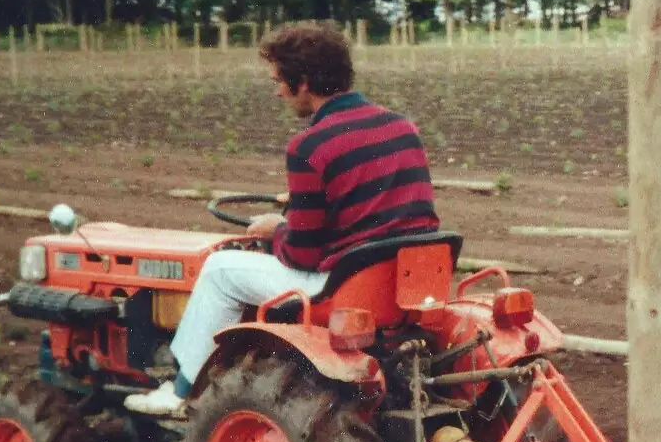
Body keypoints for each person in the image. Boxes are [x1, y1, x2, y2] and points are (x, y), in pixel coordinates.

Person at [126, 23, 440, 417]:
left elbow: (302, 255)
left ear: (303, 82)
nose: (277, 91)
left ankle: (180, 390)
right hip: (401, 286)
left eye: (279, 81)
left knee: (221, 268)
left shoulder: (310, 146)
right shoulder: (402, 127)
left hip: (342, 289)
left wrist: (276, 231)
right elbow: (378, 203)